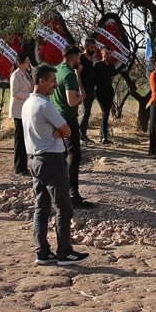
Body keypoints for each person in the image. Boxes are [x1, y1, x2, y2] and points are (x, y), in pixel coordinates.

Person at [24, 64, 90, 266]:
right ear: (41, 81)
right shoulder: (45, 105)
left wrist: (59, 130)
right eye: (52, 81)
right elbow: (68, 130)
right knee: (63, 207)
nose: (55, 85)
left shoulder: (28, 103)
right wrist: (61, 130)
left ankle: (42, 251)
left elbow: (60, 129)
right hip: (51, 159)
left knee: (41, 207)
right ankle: (64, 252)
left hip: (34, 159)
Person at [52, 46, 88, 207]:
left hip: (57, 117)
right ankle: (73, 194)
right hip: (68, 118)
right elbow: (72, 100)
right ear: (74, 58)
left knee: (62, 155)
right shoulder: (69, 74)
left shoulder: (57, 69)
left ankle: (61, 192)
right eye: (79, 58)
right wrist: (81, 97)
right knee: (74, 156)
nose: (80, 61)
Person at [9, 52, 33, 175]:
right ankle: (19, 166)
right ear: (20, 62)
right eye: (27, 61)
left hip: (26, 109)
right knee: (19, 139)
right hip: (18, 110)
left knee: (24, 138)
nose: (29, 63)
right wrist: (30, 95)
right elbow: (15, 92)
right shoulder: (16, 75)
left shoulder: (27, 74)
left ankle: (23, 165)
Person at [93, 47, 117, 144]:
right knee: (105, 113)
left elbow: (112, 78)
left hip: (109, 90)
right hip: (100, 90)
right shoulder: (97, 65)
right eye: (106, 54)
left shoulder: (112, 66)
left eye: (109, 54)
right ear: (102, 54)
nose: (108, 56)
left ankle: (103, 134)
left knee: (106, 113)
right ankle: (104, 137)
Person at [77, 37, 98, 143]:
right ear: (86, 47)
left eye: (94, 47)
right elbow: (78, 74)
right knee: (86, 111)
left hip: (91, 89)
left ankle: (83, 133)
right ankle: (81, 133)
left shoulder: (91, 58)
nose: (93, 49)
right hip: (84, 89)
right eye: (91, 47)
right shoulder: (81, 58)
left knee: (88, 111)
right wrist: (82, 90)